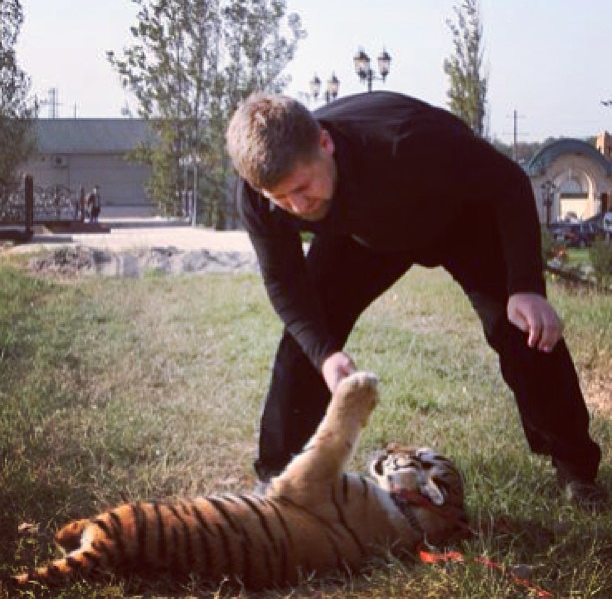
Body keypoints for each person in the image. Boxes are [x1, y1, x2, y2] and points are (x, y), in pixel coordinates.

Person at [225, 91, 606, 510]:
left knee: (520, 328)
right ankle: (278, 479)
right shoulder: (259, 193)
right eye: (282, 198)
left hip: (459, 216)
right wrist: (325, 354)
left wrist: (526, 286)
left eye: (302, 187)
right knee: (309, 340)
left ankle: (575, 466)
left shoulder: (407, 142)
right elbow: (286, 284)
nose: (297, 206)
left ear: (324, 143)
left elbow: (508, 182)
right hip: (364, 235)